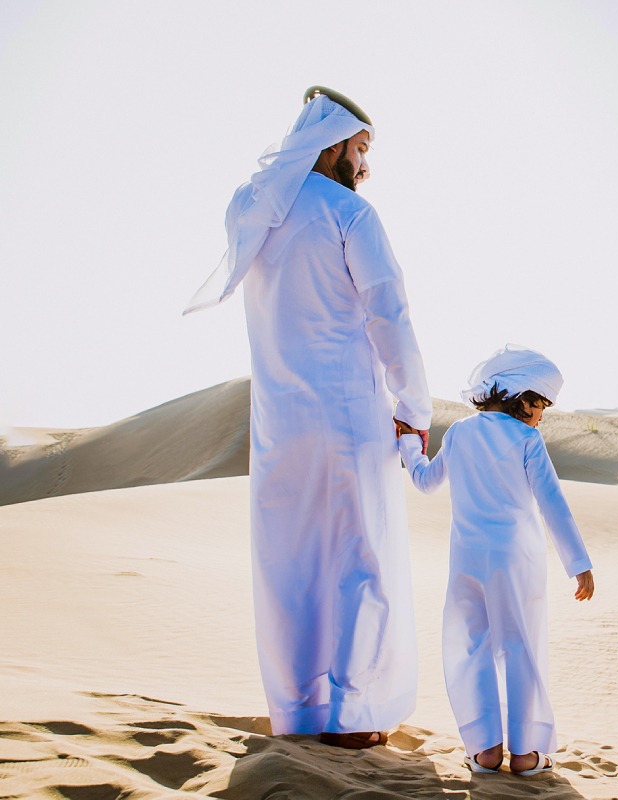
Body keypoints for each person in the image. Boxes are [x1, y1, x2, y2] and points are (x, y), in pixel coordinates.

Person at [184, 87, 432, 746]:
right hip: (346, 415)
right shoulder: (351, 213)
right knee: (356, 557)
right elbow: (388, 312)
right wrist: (413, 407)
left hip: (276, 421)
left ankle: (297, 714)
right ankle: (351, 719)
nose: (366, 165)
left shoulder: (255, 211)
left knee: (289, 564)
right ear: (333, 145)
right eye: (361, 149)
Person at [396, 344, 594, 776]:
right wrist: (578, 563)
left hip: (467, 560)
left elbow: (426, 480)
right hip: (516, 560)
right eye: (541, 403)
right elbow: (552, 503)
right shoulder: (527, 438)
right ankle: (525, 754)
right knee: (519, 645)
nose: (542, 414)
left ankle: (485, 750)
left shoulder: (461, 434)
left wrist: (409, 444)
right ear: (523, 399)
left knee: (472, 648)